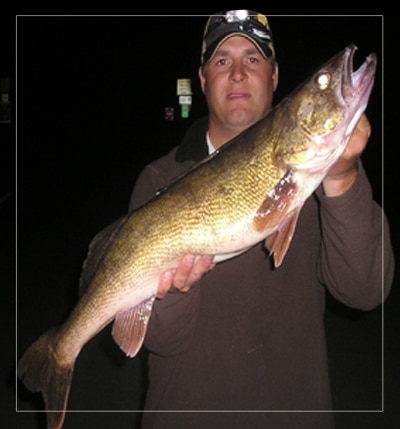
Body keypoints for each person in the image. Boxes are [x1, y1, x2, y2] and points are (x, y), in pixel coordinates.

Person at [81, 11, 394, 429]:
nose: (239, 74)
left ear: (276, 75)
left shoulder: (321, 176)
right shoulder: (160, 179)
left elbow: (365, 290)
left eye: (253, 58)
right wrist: (174, 291)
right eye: (222, 61)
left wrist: (344, 178)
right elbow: (162, 341)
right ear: (203, 79)